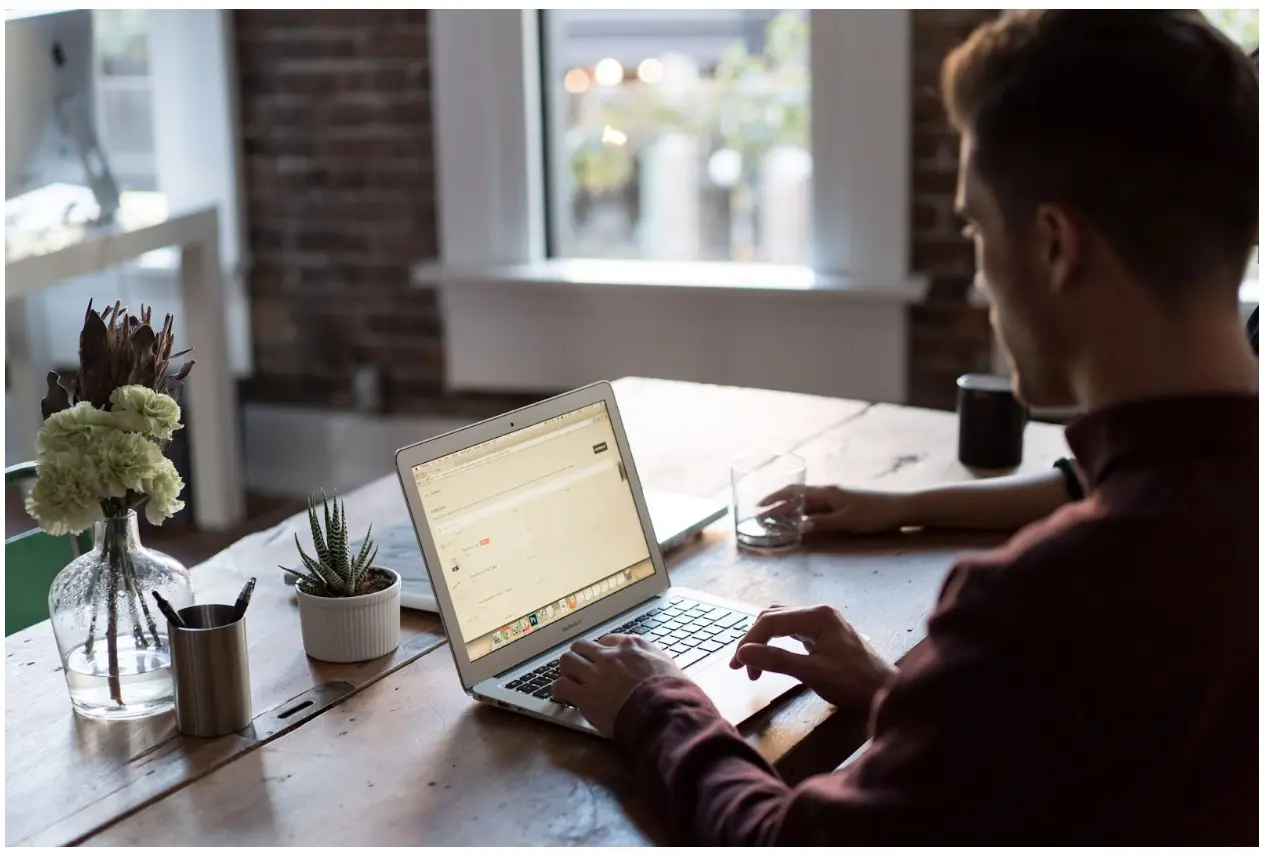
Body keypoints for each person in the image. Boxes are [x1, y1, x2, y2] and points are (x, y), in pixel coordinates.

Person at [552, 11, 1258, 845]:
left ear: (1054, 246)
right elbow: (1107, 762)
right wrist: (917, 701)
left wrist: (656, 703)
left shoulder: (1048, 603)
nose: (980, 285)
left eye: (976, 228)